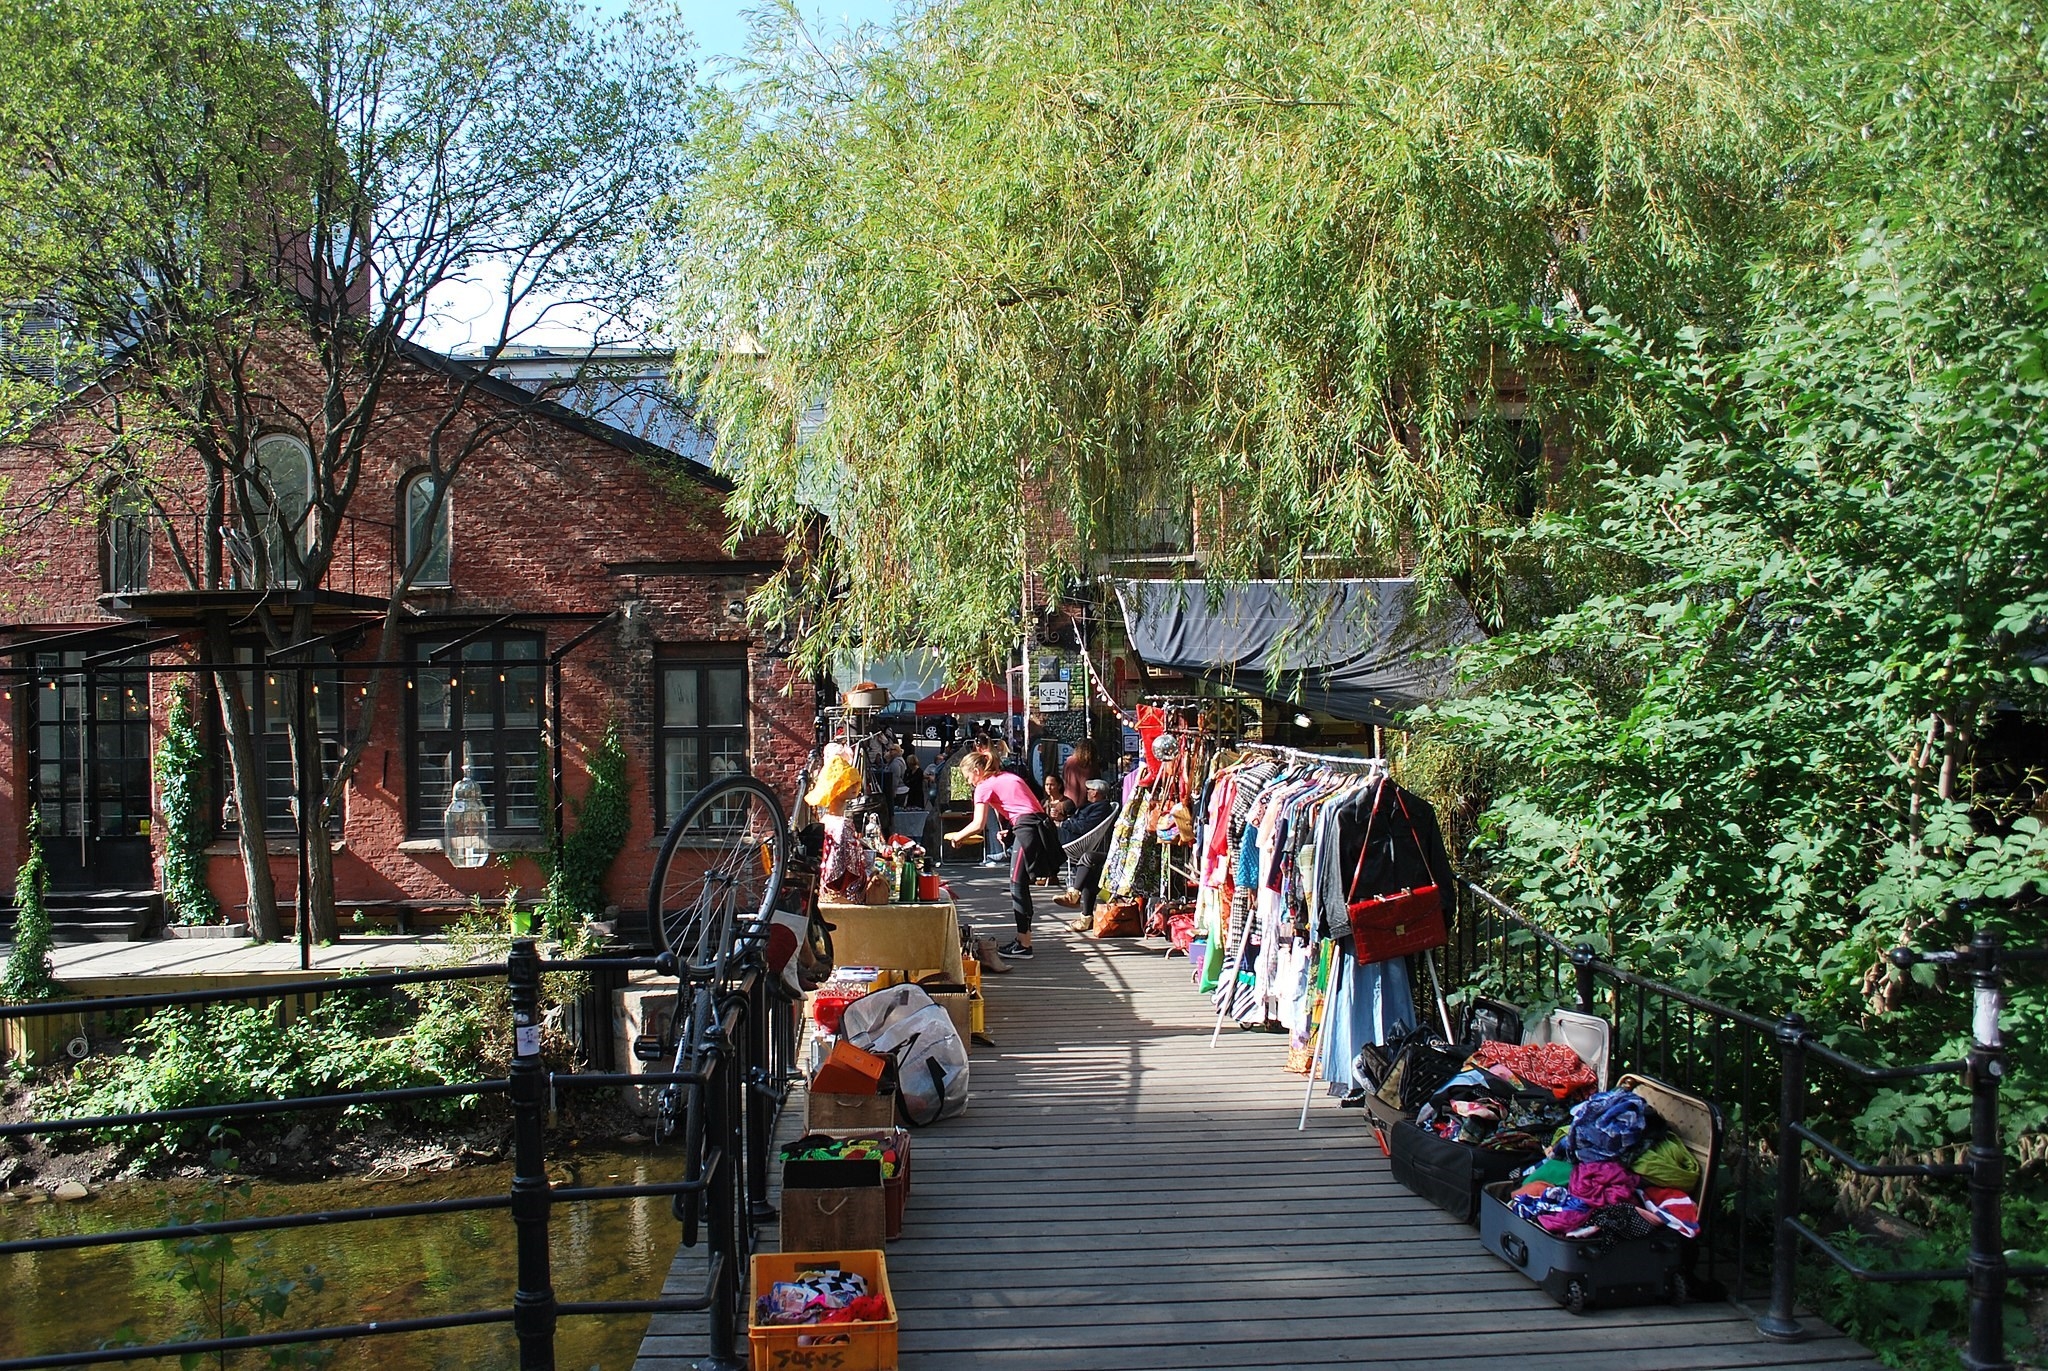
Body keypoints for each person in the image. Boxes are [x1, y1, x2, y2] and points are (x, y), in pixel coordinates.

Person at [945, 750, 1057, 959]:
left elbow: (978, 824)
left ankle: (1024, 945)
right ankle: (1023, 939)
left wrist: (957, 837)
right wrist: (1012, 829)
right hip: (1037, 826)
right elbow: (1027, 808)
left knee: (1017, 885)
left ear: (977, 771)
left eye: (968, 777)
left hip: (1027, 830)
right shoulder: (1006, 776)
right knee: (1020, 885)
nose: (969, 782)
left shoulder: (983, 786)